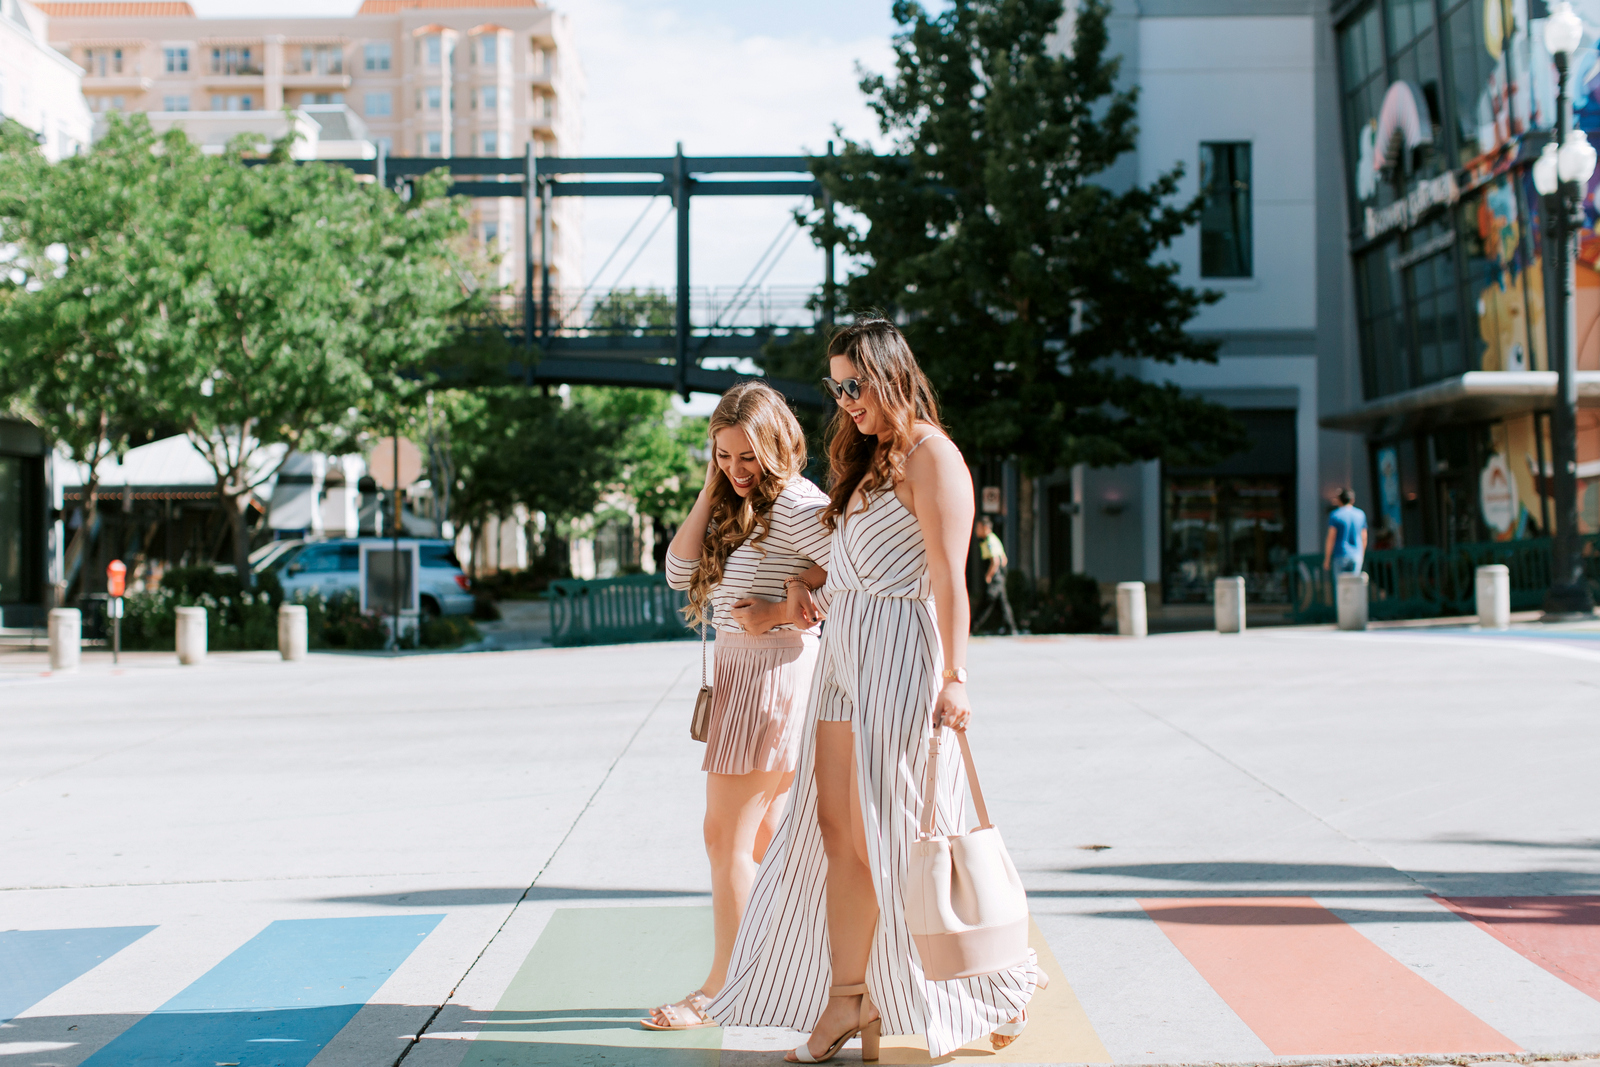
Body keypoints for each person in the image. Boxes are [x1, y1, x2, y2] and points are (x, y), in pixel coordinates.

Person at [708, 317, 1042, 1062]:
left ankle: (989, 984)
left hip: (901, 649)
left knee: (908, 830)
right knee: (830, 832)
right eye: (838, 386)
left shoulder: (933, 456)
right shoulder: (866, 459)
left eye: (856, 384)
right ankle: (848, 997)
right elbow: (849, 561)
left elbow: (948, 579)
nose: (846, 399)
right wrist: (805, 582)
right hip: (842, 653)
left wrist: (957, 677)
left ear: (894, 373)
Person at [644, 381, 832, 1031]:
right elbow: (676, 570)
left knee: (725, 836)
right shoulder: (743, 501)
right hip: (745, 674)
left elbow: (861, 576)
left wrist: (783, 609)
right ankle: (791, 975)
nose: (736, 469)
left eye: (746, 456)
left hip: (769, 673)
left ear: (775, 444)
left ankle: (723, 987)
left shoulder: (802, 504)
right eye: (723, 456)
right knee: (759, 839)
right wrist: (712, 485)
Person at [971, 516, 1018, 634]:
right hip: (999, 575)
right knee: (1002, 603)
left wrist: (989, 575)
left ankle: (971, 627)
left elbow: (995, 561)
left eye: (979, 527)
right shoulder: (992, 539)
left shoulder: (989, 540)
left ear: (986, 528)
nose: (976, 530)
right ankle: (1010, 628)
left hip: (995, 576)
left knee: (986, 600)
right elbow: (1004, 559)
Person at [1323, 488, 1368, 575]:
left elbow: (1331, 538)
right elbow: (1364, 537)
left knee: (1341, 587)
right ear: (1352, 500)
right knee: (1354, 585)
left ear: (1339, 501)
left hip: (1341, 554)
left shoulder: (1335, 515)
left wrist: (1327, 559)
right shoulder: (1360, 514)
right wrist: (1361, 555)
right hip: (1356, 555)